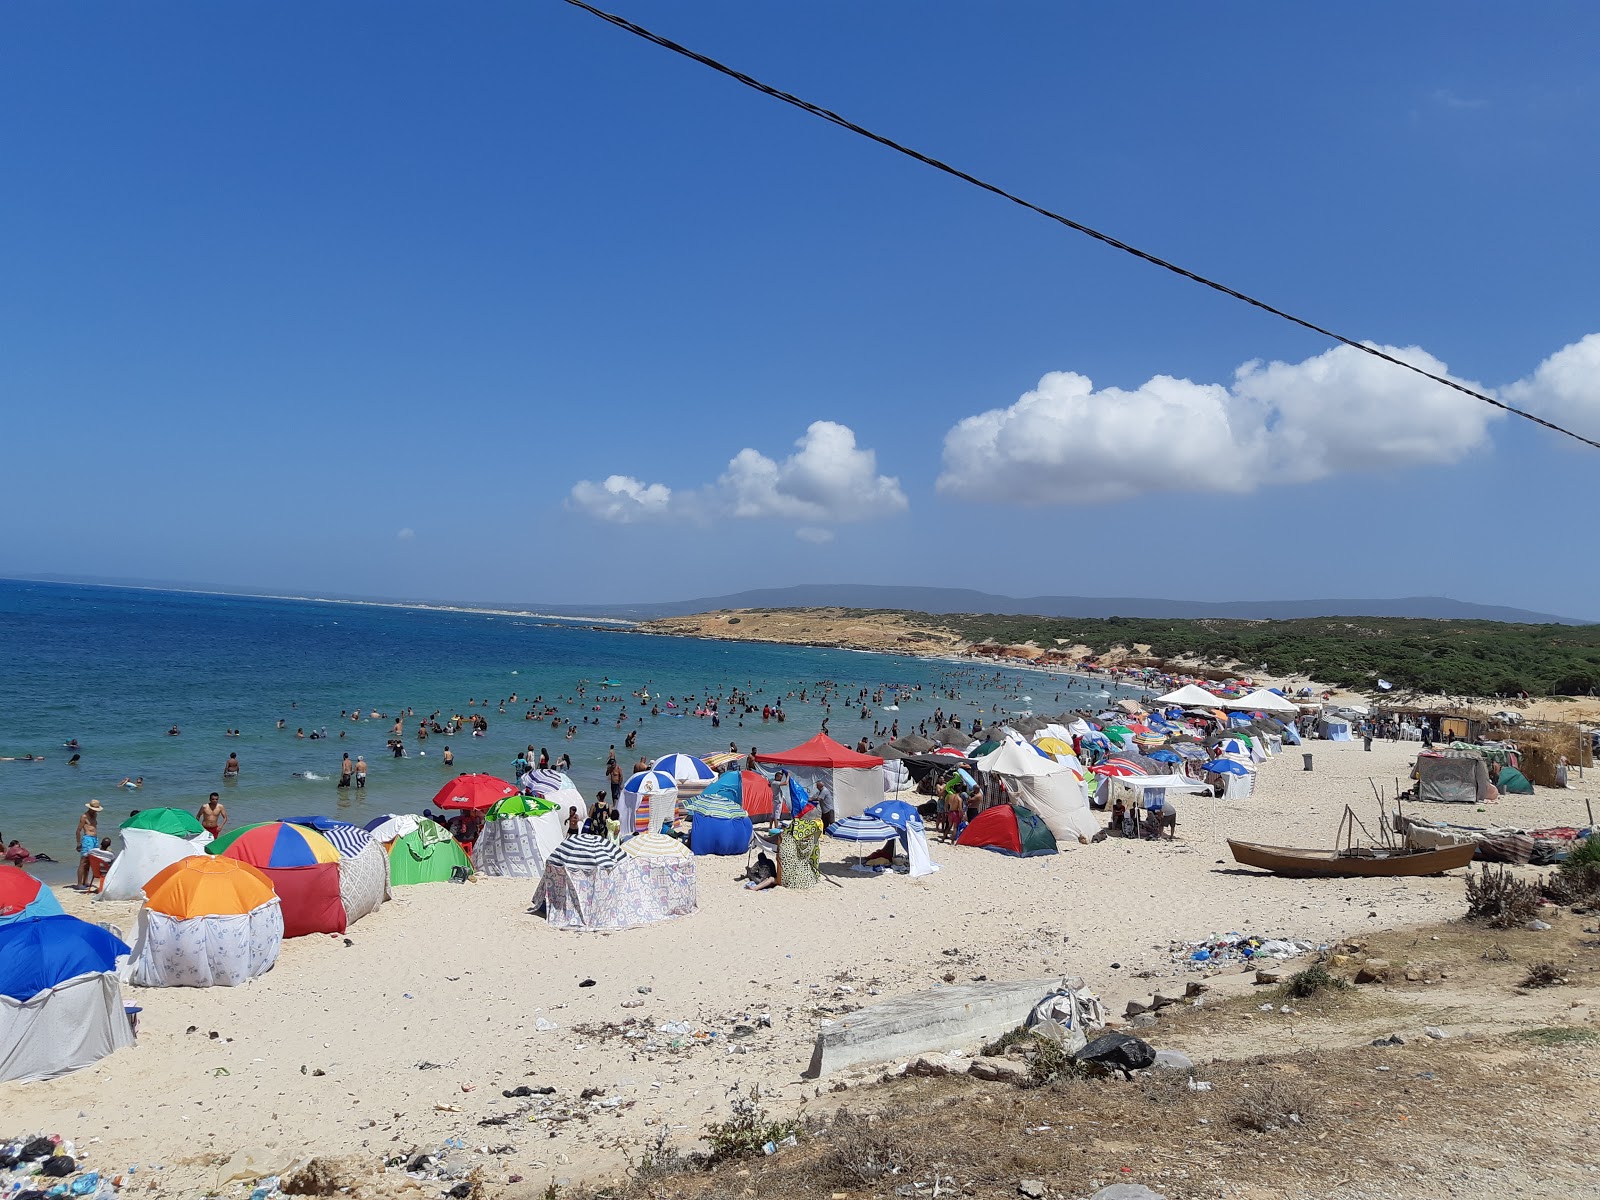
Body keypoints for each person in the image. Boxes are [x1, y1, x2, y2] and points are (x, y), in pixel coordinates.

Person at [75, 799, 102, 889]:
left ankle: (85, 881)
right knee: (83, 861)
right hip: (87, 839)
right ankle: (79, 884)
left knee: (90, 861)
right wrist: (79, 843)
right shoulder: (84, 817)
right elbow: (78, 830)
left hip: (94, 839)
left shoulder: (95, 815)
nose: (95, 811)